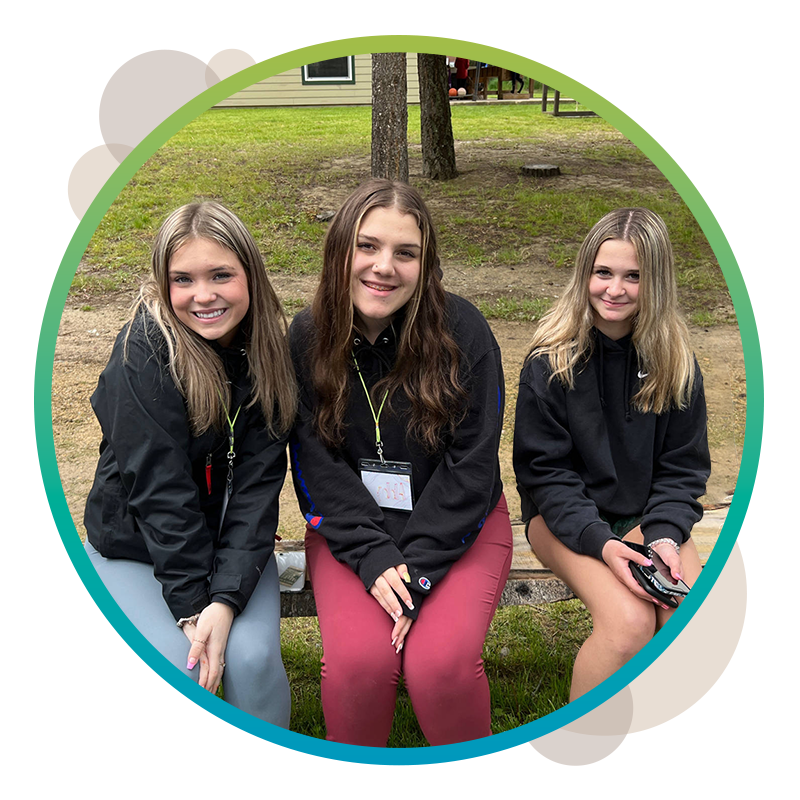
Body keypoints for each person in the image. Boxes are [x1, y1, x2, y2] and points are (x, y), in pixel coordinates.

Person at [289, 179, 513, 747]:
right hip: (351, 527)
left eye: (404, 253)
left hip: (458, 524)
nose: (383, 267)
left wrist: (414, 570)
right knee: (360, 666)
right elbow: (315, 465)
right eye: (367, 246)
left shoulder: (465, 334)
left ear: (425, 263)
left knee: (439, 667)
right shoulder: (308, 335)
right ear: (340, 249)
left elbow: (472, 467)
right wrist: (373, 555)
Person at [82, 201, 296, 749]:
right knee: (179, 678)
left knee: (251, 661)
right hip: (133, 549)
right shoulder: (143, 351)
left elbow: (256, 491)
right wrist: (194, 613)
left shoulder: (270, 354)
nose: (203, 295)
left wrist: (224, 601)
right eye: (183, 279)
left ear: (250, 273)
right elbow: (159, 496)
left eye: (221, 274)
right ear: (163, 282)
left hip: (231, 541)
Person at [513, 207, 726, 748]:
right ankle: (575, 759)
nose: (615, 288)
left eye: (633, 276)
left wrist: (660, 534)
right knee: (630, 625)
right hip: (566, 522)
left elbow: (683, 470)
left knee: (694, 629)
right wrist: (603, 544)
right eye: (603, 272)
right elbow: (545, 475)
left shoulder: (676, 360)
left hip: (648, 520)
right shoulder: (549, 361)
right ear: (585, 272)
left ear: (655, 282)